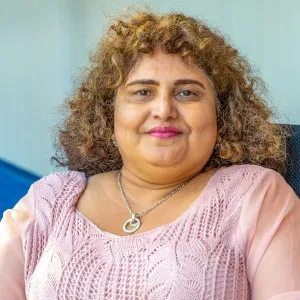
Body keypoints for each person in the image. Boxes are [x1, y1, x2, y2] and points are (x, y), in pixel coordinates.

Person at [0, 9, 299, 300]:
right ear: (108, 117)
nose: (164, 110)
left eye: (187, 93)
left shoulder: (255, 195)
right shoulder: (48, 201)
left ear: (223, 117)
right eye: (143, 92)